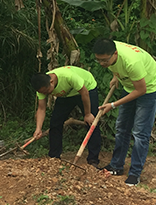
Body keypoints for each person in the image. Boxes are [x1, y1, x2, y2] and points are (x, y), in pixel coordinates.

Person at [93, 38, 156, 186]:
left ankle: (135, 173)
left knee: (140, 132)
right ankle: (116, 166)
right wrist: (116, 76)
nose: (102, 64)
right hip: (129, 86)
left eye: (104, 61)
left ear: (115, 54)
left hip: (149, 88)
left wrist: (113, 105)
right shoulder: (110, 48)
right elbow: (116, 66)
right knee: (122, 128)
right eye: (98, 60)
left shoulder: (132, 62)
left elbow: (141, 90)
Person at [30, 66, 101, 167]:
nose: (45, 94)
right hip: (65, 95)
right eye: (43, 93)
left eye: (46, 91)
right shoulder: (42, 88)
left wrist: (88, 114)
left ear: (51, 82)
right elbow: (41, 108)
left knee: (92, 123)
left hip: (87, 88)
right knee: (55, 123)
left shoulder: (68, 76)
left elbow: (84, 93)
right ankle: (54, 157)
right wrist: (38, 128)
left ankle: (93, 160)